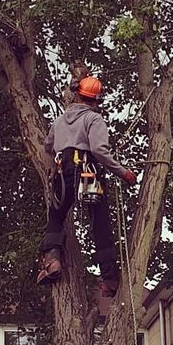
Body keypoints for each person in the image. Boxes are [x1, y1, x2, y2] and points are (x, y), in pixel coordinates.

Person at [36, 73, 137, 295]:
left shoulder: (59, 120)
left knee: (55, 216)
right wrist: (123, 173)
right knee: (100, 222)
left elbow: (48, 145)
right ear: (94, 100)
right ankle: (109, 279)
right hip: (87, 172)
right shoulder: (94, 119)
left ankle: (52, 261)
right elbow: (99, 150)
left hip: (63, 173)